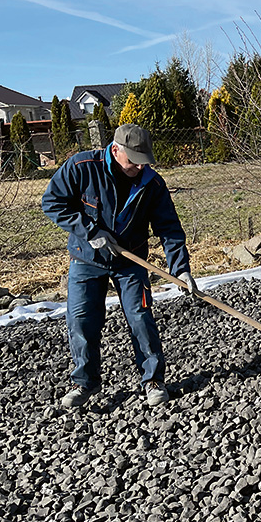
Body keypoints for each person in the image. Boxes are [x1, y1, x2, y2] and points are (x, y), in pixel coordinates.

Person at [42, 123, 196, 407]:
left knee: (140, 318)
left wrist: (180, 269)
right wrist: (90, 231)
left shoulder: (152, 183)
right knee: (81, 321)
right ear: (115, 150)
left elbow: (169, 228)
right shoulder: (82, 166)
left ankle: (153, 380)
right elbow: (52, 202)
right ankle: (84, 383)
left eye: (143, 162)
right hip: (86, 259)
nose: (138, 168)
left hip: (130, 259)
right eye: (133, 162)